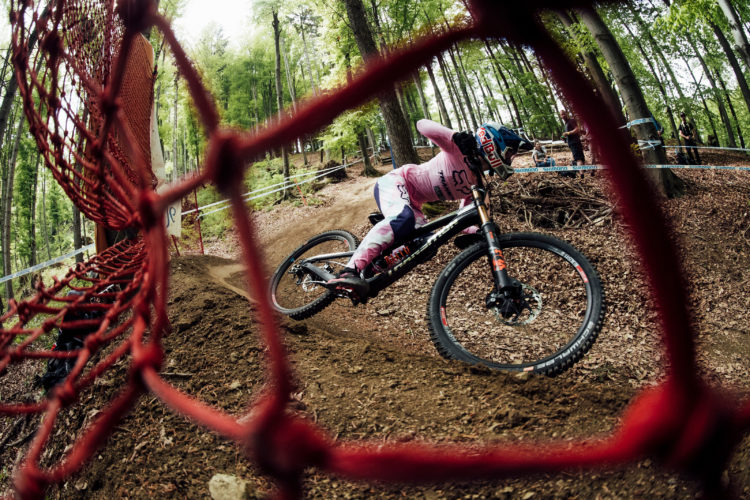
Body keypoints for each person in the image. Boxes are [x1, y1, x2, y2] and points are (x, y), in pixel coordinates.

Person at [327, 120, 527, 296]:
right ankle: (348, 271)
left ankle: (370, 271)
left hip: (415, 204)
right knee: (402, 218)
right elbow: (421, 125)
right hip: (397, 181)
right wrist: (454, 136)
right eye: (510, 152)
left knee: (426, 245)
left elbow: (466, 218)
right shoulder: (457, 148)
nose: (510, 158)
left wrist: (479, 232)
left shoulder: (478, 183)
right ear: (493, 143)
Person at [560, 109, 585, 177]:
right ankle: (582, 171)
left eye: (564, 113)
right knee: (579, 158)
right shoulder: (566, 124)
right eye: (562, 114)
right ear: (560, 116)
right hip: (571, 143)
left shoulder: (571, 120)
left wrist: (568, 133)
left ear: (567, 114)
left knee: (578, 158)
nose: (563, 115)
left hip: (575, 143)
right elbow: (568, 135)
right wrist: (564, 137)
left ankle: (582, 175)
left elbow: (577, 129)